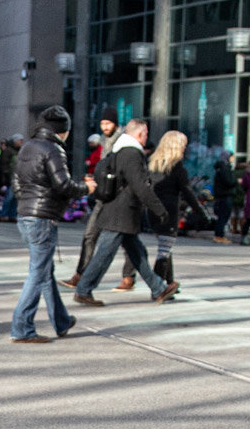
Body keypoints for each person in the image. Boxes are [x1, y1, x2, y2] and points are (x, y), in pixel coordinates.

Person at [74, 119, 178, 306]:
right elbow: (139, 185)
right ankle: (83, 289)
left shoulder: (120, 150)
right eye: (145, 133)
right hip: (120, 213)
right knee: (104, 254)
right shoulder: (131, 153)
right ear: (140, 134)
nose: (147, 137)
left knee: (137, 253)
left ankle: (158, 289)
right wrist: (159, 209)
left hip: (121, 213)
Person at [9, 105, 83, 343]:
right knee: (37, 274)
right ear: (63, 130)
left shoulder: (28, 147)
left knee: (45, 272)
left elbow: (17, 183)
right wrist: (86, 189)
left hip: (26, 215)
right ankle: (22, 328)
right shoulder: (54, 150)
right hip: (43, 218)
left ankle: (61, 321)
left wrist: (27, 204)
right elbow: (64, 185)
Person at [61, 107, 120, 288]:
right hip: (103, 195)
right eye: (102, 123)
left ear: (115, 124)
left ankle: (130, 278)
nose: (105, 127)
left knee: (129, 241)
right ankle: (81, 274)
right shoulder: (103, 143)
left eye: (108, 123)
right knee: (90, 235)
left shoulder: (121, 142)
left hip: (118, 198)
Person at [145, 130, 208, 292]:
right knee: (164, 252)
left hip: (154, 212)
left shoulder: (153, 164)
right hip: (169, 212)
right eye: (183, 145)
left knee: (165, 247)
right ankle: (158, 288)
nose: (185, 149)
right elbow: (187, 191)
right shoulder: (177, 167)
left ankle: (169, 282)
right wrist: (201, 211)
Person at [0, 135, 23, 221]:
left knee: (15, 198)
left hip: (16, 177)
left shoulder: (17, 151)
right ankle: (4, 214)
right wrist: (5, 178)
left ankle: (12, 215)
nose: (21, 142)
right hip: (9, 178)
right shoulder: (8, 151)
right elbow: (3, 165)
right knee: (9, 197)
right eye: (20, 141)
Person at [212, 151, 237, 243]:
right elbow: (229, 181)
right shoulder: (224, 168)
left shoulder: (221, 168)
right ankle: (219, 235)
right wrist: (235, 181)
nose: (233, 159)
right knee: (223, 216)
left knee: (222, 216)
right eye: (232, 157)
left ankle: (219, 235)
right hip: (225, 195)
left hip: (221, 195)